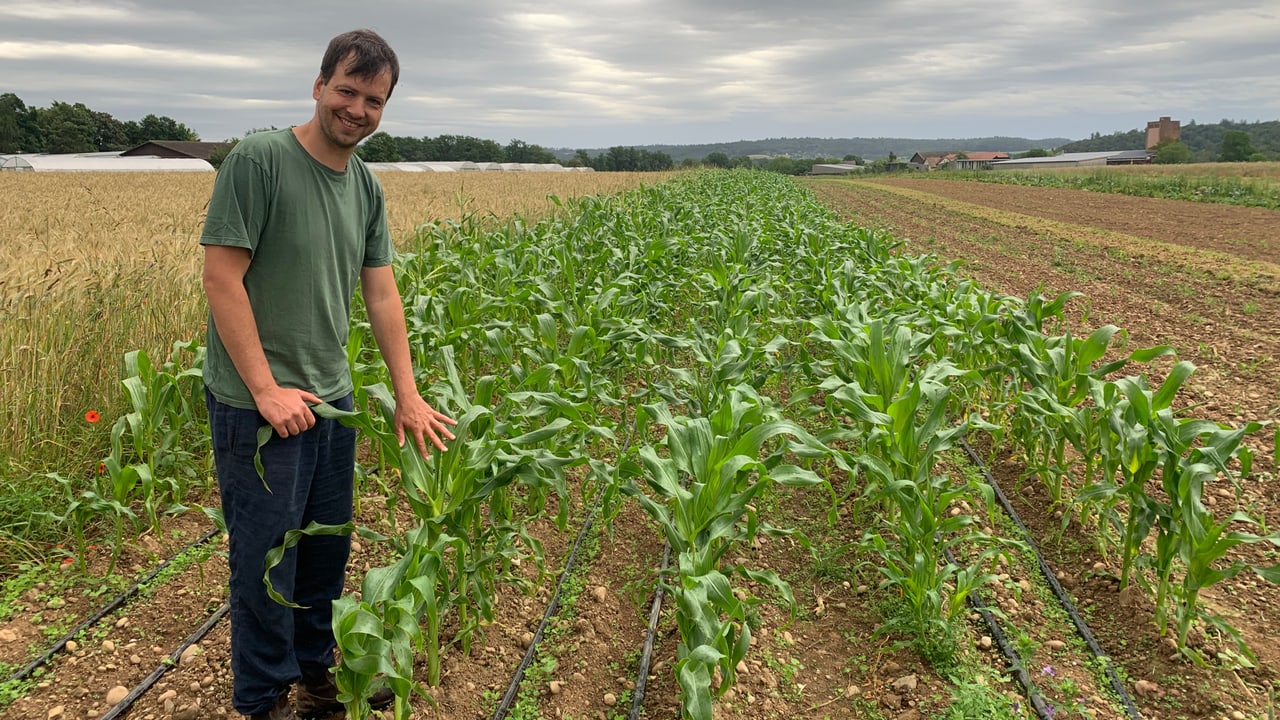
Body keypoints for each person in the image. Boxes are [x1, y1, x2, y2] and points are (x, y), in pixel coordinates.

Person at [200, 29, 457, 720]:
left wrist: (407, 395)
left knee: (324, 551)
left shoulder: (365, 185)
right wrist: (263, 389)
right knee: (263, 561)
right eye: (347, 90)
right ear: (318, 87)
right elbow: (222, 279)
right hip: (259, 405)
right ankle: (261, 699)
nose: (358, 109)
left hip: (331, 401)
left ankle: (317, 675)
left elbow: (382, 293)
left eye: (374, 100)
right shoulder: (258, 161)